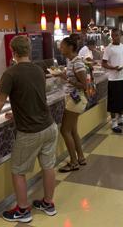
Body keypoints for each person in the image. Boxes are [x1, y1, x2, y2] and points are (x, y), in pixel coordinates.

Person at [0, 36, 59, 223]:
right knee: (48, 166)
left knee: (18, 170)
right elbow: (33, 97)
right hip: (49, 126)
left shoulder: (11, 73)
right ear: (29, 50)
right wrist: (16, 114)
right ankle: (48, 203)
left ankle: (23, 210)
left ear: (13, 52)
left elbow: (0, 101)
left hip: (30, 132)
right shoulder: (38, 70)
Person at [55, 37, 88, 172]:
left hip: (76, 100)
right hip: (72, 99)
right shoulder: (71, 61)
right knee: (73, 131)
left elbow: (84, 85)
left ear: (70, 47)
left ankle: (73, 162)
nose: (60, 49)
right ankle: (81, 158)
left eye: (62, 46)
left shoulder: (78, 63)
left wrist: (66, 78)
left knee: (64, 130)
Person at [102, 28, 123, 133]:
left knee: (122, 100)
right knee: (113, 102)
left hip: (122, 78)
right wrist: (113, 68)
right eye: (113, 35)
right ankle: (114, 122)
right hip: (113, 79)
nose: (115, 37)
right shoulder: (108, 49)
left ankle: (121, 119)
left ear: (120, 35)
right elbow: (103, 63)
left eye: (117, 35)